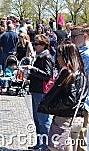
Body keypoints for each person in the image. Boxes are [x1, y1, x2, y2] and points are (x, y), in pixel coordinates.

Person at [38, 41, 88, 151]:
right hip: (78, 118)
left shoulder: (68, 73)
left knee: (55, 146)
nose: (58, 59)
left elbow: (70, 99)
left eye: (59, 55)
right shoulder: (82, 73)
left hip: (65, 118)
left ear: (67, 57)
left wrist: (52, 106)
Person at [24, 34, 54, 150]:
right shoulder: (39, 56)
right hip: (36, 89)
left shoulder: (46, 57)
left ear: (43, 45)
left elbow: (47, 75)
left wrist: (33, 69)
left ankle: (47, 145)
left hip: (41, 91)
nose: (34, 46)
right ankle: (39, 143)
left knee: (43, 120)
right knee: (37, 119)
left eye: (36, 44)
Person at [70, 23, 89, 151]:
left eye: (75, 36)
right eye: (71, 36)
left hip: (83, 102)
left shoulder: (86, 55)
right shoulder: (77, 53)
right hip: (74, 100)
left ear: (85, 36)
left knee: (80, 138)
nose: (72, 40)